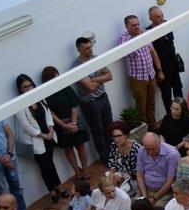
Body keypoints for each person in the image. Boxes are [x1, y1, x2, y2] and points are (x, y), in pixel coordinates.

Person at [15, 74, 64, 200]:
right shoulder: (19, 105)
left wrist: (51, 130)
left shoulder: (39, 97)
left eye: (30, 85)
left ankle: (59, 187)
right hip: (37, 141)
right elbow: (26, 126)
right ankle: (52, 191)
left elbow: (48, 114)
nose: (29, 88)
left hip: (49, 137)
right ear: (20, 89)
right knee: (45, 166)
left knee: (50, 163)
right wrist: (43, 135)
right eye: (25, 87)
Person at [41, 66, 90, 181]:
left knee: (81, 146)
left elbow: (74, 105)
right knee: (68, 149)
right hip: (60, 124)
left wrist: (72, 123)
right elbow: (50, 113)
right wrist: (64, 126)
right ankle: (77, 173)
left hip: (75, 120)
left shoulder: (65, 87)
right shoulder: (46, 94)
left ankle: (86, 172)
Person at [71, 35, 114, 163]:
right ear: (79, 50)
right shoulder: (77, 67)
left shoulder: (96, 59)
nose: (90, 50)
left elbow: (110, 76)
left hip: (103, 97)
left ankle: (113, 152)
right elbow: (89, 87)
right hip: (90, 103)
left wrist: (94, 79)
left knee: (109, 127)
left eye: (90, 47)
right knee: (98, 131)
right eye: (86, 49)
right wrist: (101, 78)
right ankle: (105, 157)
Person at [117, 14, 162, 130]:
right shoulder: (124, 40)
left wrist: (159, 70)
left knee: (151, 103)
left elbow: (153, 53)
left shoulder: (144, 34)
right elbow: (124, 51)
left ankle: (153, 127)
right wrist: (138, 37)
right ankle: (145, 131)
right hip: (138, 79)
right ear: (126, 26)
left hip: (150, 75)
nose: (137, 27)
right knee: (141, 107)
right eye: (133, 25)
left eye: (138, 24)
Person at [146, 6, 184, 112]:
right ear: (151, 19)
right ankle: (170, 115)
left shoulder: (167, 25)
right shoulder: (149, 32)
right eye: (158, 17)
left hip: (173, 65)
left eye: (162, 15)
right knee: (166, 94)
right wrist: (159, 71)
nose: (161, 18)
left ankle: (182, 112)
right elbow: (153, 53)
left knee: (178, 90)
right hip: (162, 68)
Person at [136, 132, 180, 206]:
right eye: (147, 149)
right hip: (146, 189)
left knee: (157, 208)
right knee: (137, 206)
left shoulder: (172, 154)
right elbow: (140, 175)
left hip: (164, 192)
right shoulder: (141, 151)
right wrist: (144, 197)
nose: (150, 152)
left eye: (153, 149)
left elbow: (170, 181)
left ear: (159, 142)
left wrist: (154, 198)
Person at [106, 121, 141, 193]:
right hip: (120, 175)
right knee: (105, 187)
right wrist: (112, 175)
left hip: (135, 179)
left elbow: (141, 172)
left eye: (119, 136)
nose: (116, 139)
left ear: (126, 135)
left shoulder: (136, 148)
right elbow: (112, 165)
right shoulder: (113, 146)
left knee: (119, 192)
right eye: (114, 136)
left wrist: (122, 178)